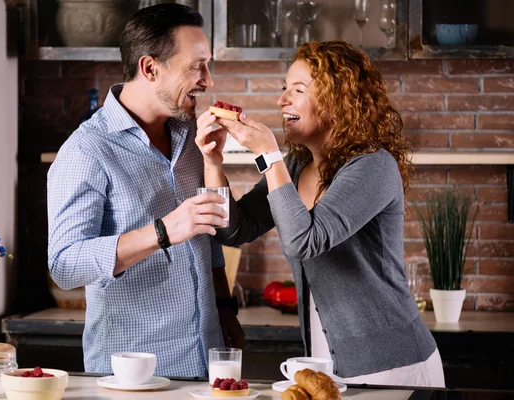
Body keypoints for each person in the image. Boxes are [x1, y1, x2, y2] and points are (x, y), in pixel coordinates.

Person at [196, 40, 444, 387]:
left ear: (336, 101)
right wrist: (212, 163)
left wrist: (269, 154)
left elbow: (304, 241)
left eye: (298, 90)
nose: (282, 100)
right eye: (285, 89)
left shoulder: (373, 167)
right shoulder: (297, 166)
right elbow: (234, 230)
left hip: (394, 365)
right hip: (327, 366)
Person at [47, 4, 244, 378]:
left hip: (206, 361)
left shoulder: (189, 139)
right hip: (133, 375)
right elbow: (64, 265)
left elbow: (207, 237)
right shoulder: (86, 150)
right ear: (150, 68)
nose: (208, 80)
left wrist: (224, 306)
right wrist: (163, 231)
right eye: (196, 66)